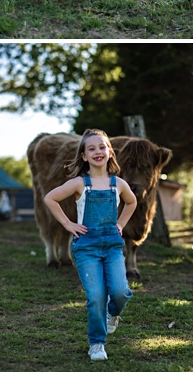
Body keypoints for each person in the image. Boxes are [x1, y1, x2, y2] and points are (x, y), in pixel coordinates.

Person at [42, 129, 137, 362]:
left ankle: (112, 313)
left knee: (120, 292)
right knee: (95, 295)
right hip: (86, 248)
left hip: (113, 246)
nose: (97, 151)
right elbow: (50, 198)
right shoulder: (79, 183)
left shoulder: (119, 184)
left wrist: (121, 224)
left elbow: (132, 202)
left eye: (102, 147)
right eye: (91, 148)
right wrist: (67, 224)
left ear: (110, 152)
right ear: (84, 156)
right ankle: (96, 343)